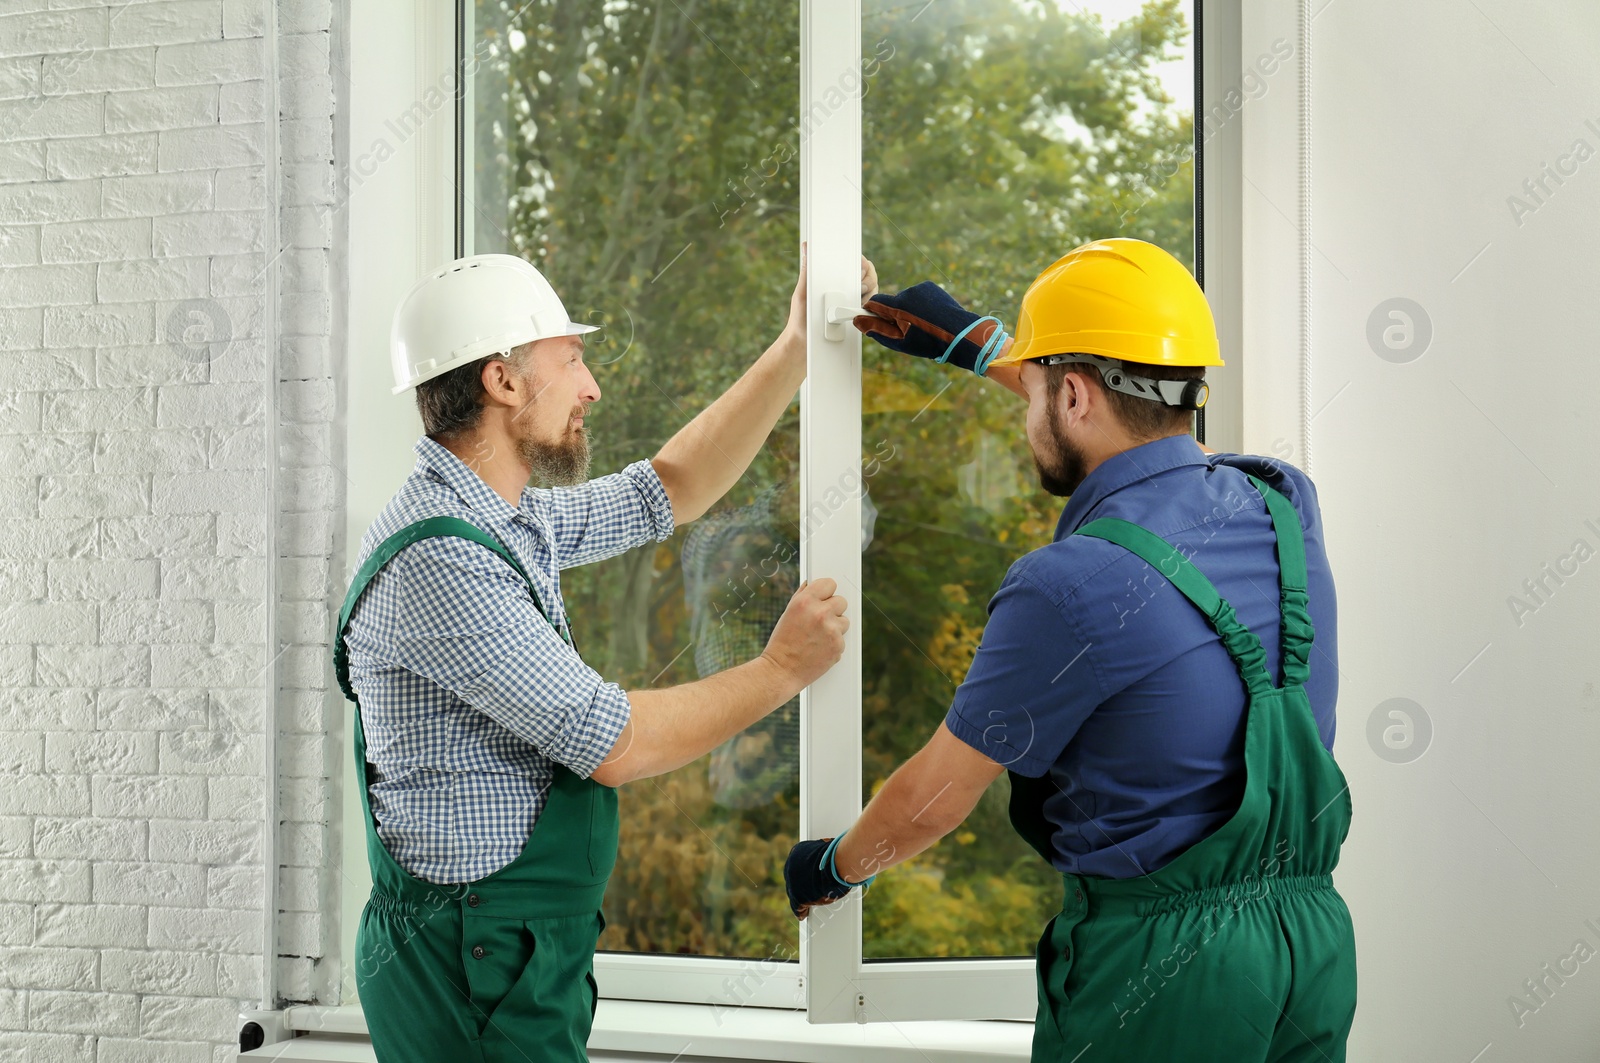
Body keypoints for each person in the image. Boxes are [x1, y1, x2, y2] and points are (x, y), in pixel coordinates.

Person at [783, 238, 1356, 1062]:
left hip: (1163, 972)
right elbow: (1128, 409)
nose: (1027, 414)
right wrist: (982, 345)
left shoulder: (1069, 586)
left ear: (1077, 394)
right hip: (1312, 949)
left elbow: (934, 799)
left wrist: (833, 868)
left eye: (1039, 389)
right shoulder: (1284, 502)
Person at [335, 247, 873, 1062]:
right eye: (572, 360)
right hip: (467, 966)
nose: (591, 386)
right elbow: (615, 741)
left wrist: (796, 347)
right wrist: (780, 670)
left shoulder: (507, 521)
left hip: (508, 951)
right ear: (503, 382)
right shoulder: (442, 559)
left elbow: (671, 487)